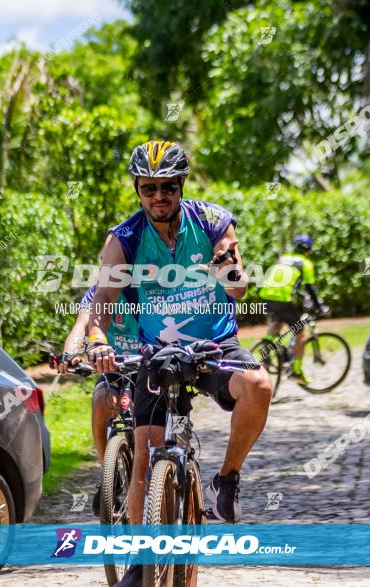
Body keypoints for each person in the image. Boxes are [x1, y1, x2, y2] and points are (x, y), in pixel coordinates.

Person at [85, 140, 273, 587]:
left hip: (213, 347)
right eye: (148, 189)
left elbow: (239, 291)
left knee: (259, 386)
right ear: (138, 189)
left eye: (167, 187)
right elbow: (103, 301)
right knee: (147, 459)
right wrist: (96, 340)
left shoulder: (211, 222)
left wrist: (229, 269)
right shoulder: (125, 238)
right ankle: (141, 561)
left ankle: (226, 479)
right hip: (157, 354)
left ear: (181, 185)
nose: (159, 197)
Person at [56, 284, 140, 516]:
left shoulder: (149, 286)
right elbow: (81, 326)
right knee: (101, 401)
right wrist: (69, 354)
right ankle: (109, 475)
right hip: (112, 363)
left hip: (148, 362)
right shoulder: (97, 293)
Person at [257, 235, 322, 384]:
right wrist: (318, 306)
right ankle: (297, 372)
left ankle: (266, 346)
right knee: (300, 334)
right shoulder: (305, 263)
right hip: (283, 299)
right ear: (308, 250)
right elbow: (310, 287)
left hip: (265, 295)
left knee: (277, 323)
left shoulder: (284, 258)